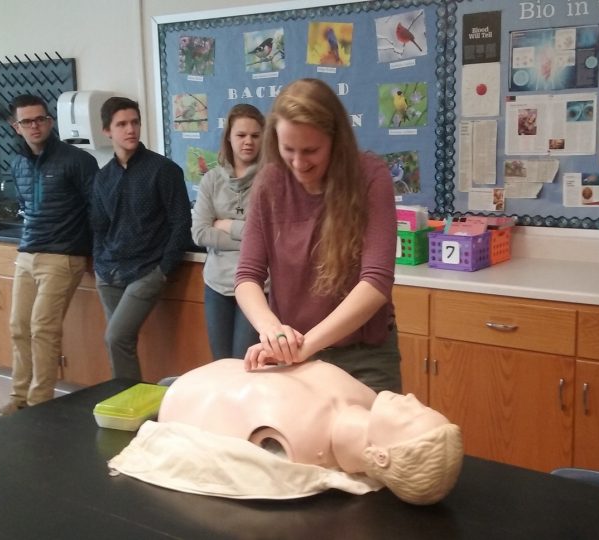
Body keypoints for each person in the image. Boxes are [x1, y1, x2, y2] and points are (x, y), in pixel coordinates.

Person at [234, 78, 401, 393]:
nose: (298, 162)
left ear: (335, 141)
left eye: (310, 150)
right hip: (293, 357)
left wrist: (304, 345)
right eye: (288, 150)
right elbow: (247, 276)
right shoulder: (269, 183)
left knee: (371, 441)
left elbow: (376, 281)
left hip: (363, 357)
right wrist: (272, 332)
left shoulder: (370, 177)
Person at [121, 359, 463, 505]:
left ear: (382, 455)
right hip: (204, 375)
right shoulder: (366, 398)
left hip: (181, 398)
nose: (413, 398)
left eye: (412, 415)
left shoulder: (301, 445)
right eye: (422, 406)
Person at [0, 94, 98, 416]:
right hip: (28, 252)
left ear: (50, 121)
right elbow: (27, 207)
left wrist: (94, 255)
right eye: (27, 121)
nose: (35, 126)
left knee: (43, 327)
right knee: (18, 326)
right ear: (16, 127)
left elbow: (96, 209)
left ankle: (39, 403)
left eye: (40, 119)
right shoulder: (17, 163)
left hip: (62, 255)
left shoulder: (77, 160)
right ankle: (18, 399)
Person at [91, 97, 192, 380]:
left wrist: (162, 271)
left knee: (115, 338)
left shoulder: (164, 170)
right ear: (107, 131)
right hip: (109, 272)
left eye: (135, 122)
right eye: (121, 124)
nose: (131, 129)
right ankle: (126, 407)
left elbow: (181, 222)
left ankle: (127, 403)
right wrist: (99, 263)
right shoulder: (103, 177)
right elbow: (98, 226)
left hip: (146, 271)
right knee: (119, 343)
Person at [191, 104, 264, 360]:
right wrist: (251, 236)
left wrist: (226, 225)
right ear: (229, 138)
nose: (248, 142)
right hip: (217, 284)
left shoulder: (272, 180)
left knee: (246, 364)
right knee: (221, 365)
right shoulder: (211, 179)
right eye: (241, 135)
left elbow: (271, 238)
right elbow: (200, 233)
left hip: (258, 284)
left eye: (255, 136)